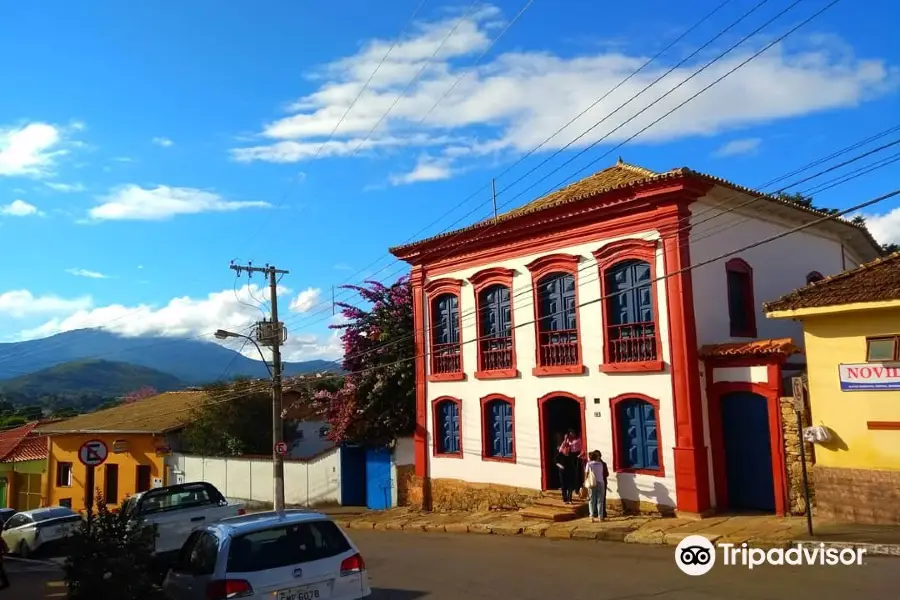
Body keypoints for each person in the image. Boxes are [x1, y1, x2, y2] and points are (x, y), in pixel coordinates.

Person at [584, 450, 610, 522]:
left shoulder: (589, 464)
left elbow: (586, 474)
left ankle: (591, 516)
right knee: (600, 501)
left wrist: (585, 483)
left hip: (592, 483)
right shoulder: (601, 464)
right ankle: (600, 517)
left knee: (591, 500)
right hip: (601, 483)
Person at [555, 432, 572, 503]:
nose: (567, 450)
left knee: (570, 486)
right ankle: (565, 499)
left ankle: (569, 499)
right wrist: (560, 466)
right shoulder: (560, 454)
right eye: (566, 449)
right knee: (563, 485)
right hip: (562, 471)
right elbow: (555, 461)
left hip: (569, 471)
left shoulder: (570, 456)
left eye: (568, 449)